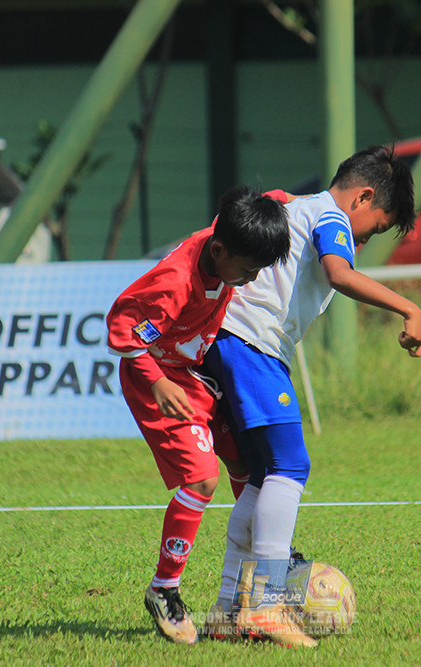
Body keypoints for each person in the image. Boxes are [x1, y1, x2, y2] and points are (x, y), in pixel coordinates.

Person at [200, 145, 421, 648]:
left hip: (233, 341)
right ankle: (265, 606)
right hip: (253, 343)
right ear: (363, 197)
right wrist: (409, 308)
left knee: (262, 477)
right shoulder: (330, 214)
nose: (360, 242)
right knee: (290, 467)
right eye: (370, 231)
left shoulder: (294, 206)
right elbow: (339, 274)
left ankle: (226, 609)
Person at [106, 185, 291, 645]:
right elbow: (121, 330)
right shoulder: (174, 284)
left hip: (191, 372)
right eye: (247, 271)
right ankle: (164, 589)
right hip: (159, 378)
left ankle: (252, 581)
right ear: (220, 250)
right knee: (202, 479)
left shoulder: (224, 233)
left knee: (249, 468)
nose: (248, 280)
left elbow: (271, 198)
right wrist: (158, 381)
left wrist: (292, 202)